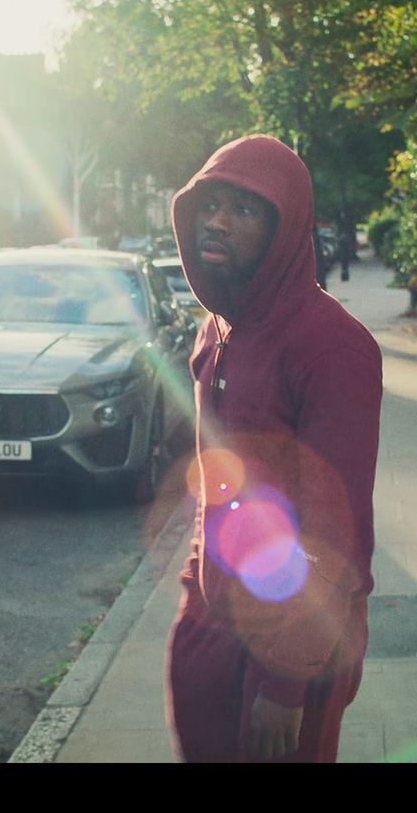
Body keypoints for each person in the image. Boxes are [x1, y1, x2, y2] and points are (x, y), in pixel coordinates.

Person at [165, 135, 383, 763]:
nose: (218, 221)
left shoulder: (332, 349)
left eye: (245, 208)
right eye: (210, 203)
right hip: (213, 629)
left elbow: (333, 532)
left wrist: (286, 682)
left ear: (285, 228)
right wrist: (193, 609)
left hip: (290, 649)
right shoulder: (218, 330)